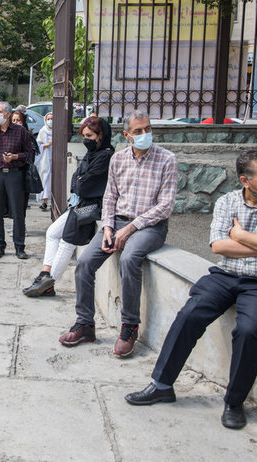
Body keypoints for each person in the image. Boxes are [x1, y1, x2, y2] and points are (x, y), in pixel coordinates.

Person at [125, 150, 257, 430]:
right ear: (245, 180)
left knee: (249, 330)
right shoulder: (227, 201)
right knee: (190, 313)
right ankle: (161, 385)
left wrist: (240, 236)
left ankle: (234, 402)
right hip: (227, 274)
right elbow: (219, 246)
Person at [59, 110, 178, 358]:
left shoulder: (167, 159)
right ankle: (85, 324)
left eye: (148, 129)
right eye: (138, 131)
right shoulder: (119, 159)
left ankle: (129, 327)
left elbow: (165, 206)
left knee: (129, 259)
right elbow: (110, 196)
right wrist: (108, 227)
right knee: (84, 263)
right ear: (127, 135)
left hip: (150, 226)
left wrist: (131, 228)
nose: (145, 134)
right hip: (117, 221)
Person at [23, 116, 114, 298]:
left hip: (89, 206)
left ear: (100, 135)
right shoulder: (92, 153)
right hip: (77, 203)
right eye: (84, 136)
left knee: (67, 241)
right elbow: (75, 181)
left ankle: (49, 282)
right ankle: (45, 274)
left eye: (89, 136)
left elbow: (84, 185)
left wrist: (80, 181)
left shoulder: (105, 156)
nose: (86, 140)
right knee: (52, 232)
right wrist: (79, 181)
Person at [0, 101, 34, 259]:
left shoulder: (20, 131)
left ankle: (19, 246)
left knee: (17, 212)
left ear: (8, 114)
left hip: (15, 174)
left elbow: (29, 153)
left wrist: (15, 156)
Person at [36, 113, 53, 211]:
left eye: (52, 118)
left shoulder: (57, 131)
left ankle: (53, 201)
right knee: (45, 178)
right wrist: (47, 144)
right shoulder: (43, 131)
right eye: (48, 119)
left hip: (54, 157)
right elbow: (38, 146)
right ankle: (45, 201)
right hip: (45, 158)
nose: (50, 121)